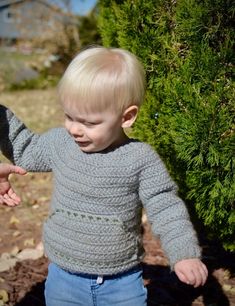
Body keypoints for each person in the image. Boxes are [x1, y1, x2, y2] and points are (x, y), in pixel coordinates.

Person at [0, 46, 208, 306]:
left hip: (122, 283)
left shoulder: (139, 158)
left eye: (89, 123)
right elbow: (26, 149)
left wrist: (184, 253)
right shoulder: (60, 144)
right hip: (64, 279)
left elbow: (165, 207)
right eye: (69, 116)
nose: (75, 129)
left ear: (127, 117)